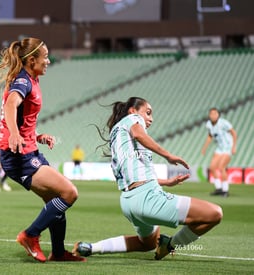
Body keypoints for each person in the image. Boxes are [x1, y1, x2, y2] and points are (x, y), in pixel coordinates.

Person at [72, 97, 223, 260]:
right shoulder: (133, 120)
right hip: (147, 198)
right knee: (214, 214)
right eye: (148, 113)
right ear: (133, 111)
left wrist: (166, 182)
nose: (151, 118)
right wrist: (168, 155)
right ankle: (170, 245)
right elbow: (138, 134)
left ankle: (89, 247)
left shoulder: (118, 135)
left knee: (147, 243)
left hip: (128, 202)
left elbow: (134, 174)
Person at [0, 37, 85, 262]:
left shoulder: (31, 79)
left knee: (55, 202)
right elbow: (11, 104)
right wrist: (15, 133)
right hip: (18, 156)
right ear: (31, 60)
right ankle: (30, 235)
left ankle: (59, 253)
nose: (49, 61)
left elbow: (22, 117)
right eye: (45, 57)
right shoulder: (23, 81)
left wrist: (36, 136)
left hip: (28, 150)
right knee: (69, 193)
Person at [201, 108, 237, 197]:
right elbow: (210, 136)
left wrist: (234, 146)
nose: (213, 115)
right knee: (212, 167)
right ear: (209, 115)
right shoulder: (209, 124)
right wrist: (204, 148)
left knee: (221, 167)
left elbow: (234, 133)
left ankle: (225, 190)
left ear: (218, 115)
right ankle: (219, 188)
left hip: (227, 147)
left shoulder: (224, 123)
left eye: (215, 114)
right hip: (219, 148)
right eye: (211, 114)